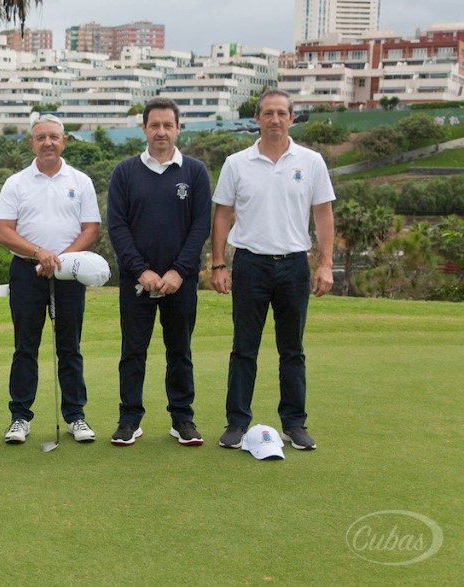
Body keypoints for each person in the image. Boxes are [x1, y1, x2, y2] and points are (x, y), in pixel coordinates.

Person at [211, 89, 335, 451]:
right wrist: (218, 263)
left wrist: (325, 263)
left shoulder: (311, 161)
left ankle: (294, 424)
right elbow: (222, 213)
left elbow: (323, 213)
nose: (275, 119)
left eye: (282, 113)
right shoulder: (237, 163)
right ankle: (236, 423)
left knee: (292, 350)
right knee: (243, 348)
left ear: (291, 118)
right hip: (250, 263)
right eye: (268, 113)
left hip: (294, 264)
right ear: (257, 118)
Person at [107, 97, 211, 447]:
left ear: (178, 128)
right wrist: (142, 271)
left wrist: (179, 272)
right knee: (133, 351)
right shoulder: (125, 172)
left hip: (180, 282)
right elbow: (117, 227)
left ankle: (182, 418)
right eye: (155, 125)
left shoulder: (194, 171)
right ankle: (129, 419)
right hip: (137, 282)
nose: (162, 131)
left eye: (168, 125)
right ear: (145, 129)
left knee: (179, 350)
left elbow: (200, 226)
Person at [0, 114, 101, 444]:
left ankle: (76, 416)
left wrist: (61, 261)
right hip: (27, 272)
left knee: (70, 347)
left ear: (64, 141)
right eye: (41, 137)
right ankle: (19, 418)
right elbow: (4, 231)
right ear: (32, 143)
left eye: (54, 137)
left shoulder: (80, 181)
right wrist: (41, 254)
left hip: (70, 274)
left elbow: (91, 230)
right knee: (25, 346)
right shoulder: (16, 183)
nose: (48, 143)